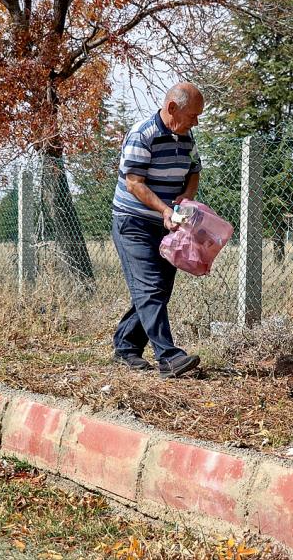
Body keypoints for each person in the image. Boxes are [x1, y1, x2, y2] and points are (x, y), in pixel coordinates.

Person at [110, 82, 204, 379]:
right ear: (172, 108)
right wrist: (164, 210)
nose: (196, 122)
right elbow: (134, 183)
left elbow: (194, 171)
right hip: (133, 222)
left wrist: (185, 198)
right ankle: (168, 357)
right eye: (193, 115)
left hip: (168, 225)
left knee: (159, 290)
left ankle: (126, 346)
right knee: (150, 286)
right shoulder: (142, 134)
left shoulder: (186, 136)